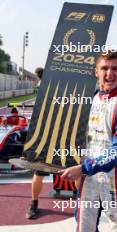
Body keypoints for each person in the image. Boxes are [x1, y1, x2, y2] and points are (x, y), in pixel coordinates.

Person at [58, 51, 117, 232]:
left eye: (114, 68)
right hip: (89, 179)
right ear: (96, 71)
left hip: (115, 180)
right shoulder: (89, 100)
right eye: (104, 68)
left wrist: (82, 169)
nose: (109, 73)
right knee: (84, 227)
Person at [25, 67, 50, 219]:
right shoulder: (44, 86)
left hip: (67, 133)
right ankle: (34, 203)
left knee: (74, 171)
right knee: (38, 172)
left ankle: (81, 202)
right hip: (46, 135)